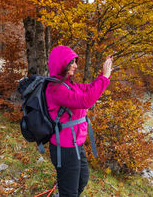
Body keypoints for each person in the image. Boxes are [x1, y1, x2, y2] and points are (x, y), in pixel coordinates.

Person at [45, 45, 112, 196]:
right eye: (71, 62)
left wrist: (104, 74)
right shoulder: (55, 88)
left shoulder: (69, 84)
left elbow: (90, 89)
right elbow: (86, 101)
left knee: (82, 179)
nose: (75, 65)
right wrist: (104, 77)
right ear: (61, 63)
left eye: (75, 61)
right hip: (65, 148)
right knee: (70, 192)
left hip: (76, 144)